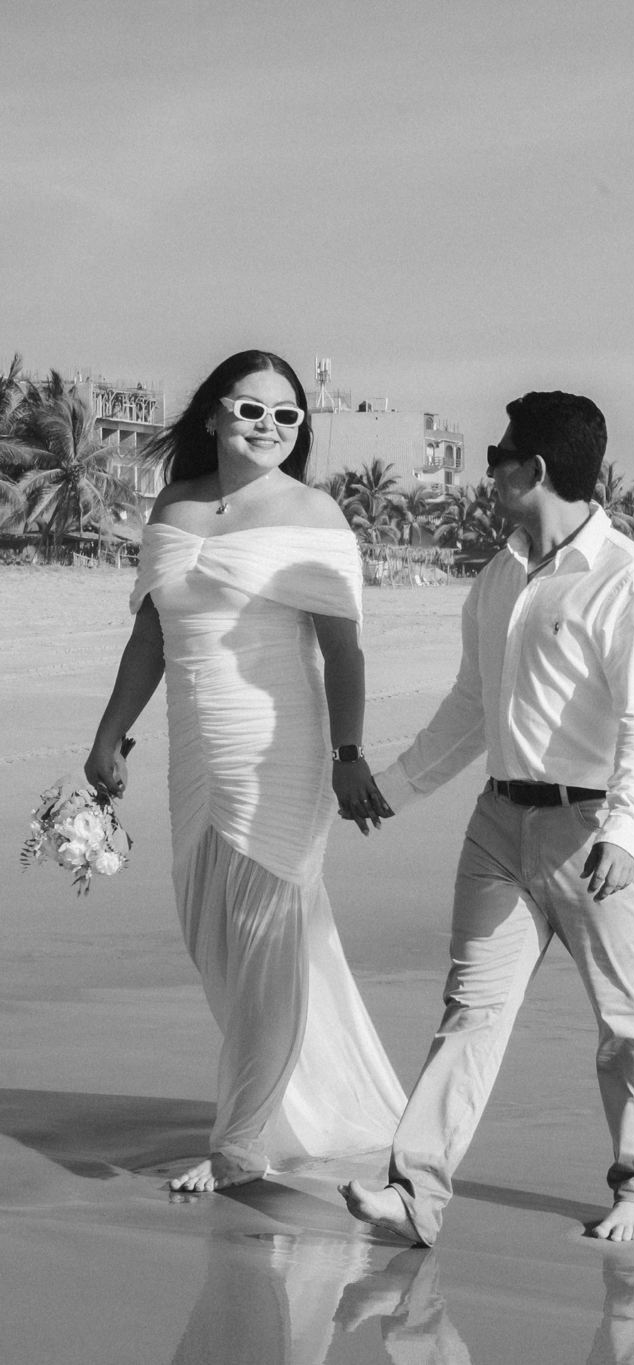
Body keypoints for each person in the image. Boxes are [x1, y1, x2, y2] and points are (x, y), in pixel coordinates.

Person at [339, 391, 634, 1245]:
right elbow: (471, 707)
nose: (486, 470)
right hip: (498, 824)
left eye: (498, 456)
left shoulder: (627, 576)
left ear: (535, 468)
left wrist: (627, 830)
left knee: (625, 1019)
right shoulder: (497, 577)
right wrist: (395, 787)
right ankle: (415, 1192)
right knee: (471, 1009)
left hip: (594, 832)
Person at [85, 349, 404, 1191]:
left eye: (286, 414)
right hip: (194, 749)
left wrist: (348, 754)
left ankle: (240, 1143)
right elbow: (151, 635)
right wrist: (110, 733)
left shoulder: (314, 513)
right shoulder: (175, 503)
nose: (269, 426)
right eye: (252, 409)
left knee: (267, 940)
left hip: (281, 752)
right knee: (212, 938)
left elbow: (343, 651)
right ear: (214, 413)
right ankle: (287, 1107)